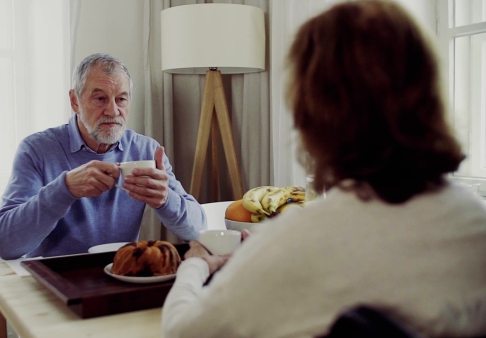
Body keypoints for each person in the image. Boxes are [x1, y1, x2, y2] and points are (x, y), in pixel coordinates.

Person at [161, 1, 486, 337]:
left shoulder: (294, 242)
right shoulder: (476, 225)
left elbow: (184, 331)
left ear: (311, 114)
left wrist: (196, 263)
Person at [0, 53, 206, 260]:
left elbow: (199, 231)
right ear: (75, 101)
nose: (112, 111)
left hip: (121, 275)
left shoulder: (146, 150)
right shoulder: (37, 150)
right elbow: (6, 245)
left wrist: (166, 200)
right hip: (55, 280)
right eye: (100, 98)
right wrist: (64, 189)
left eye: (121, 99)